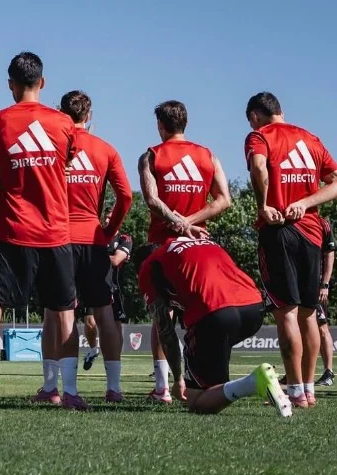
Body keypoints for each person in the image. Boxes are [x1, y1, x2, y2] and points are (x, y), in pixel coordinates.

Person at [0, 52, 77, 411]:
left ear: (10, 85)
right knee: (65, 310)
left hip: (12, 230)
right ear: (43, 82)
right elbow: (65, 164)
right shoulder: (64, 123)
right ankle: (69, 393)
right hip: (56, 231)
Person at [32, 90, 132, 406]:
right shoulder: (105, 149)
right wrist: (109, 230)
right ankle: (113, 388)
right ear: (89, 117)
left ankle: (54, 388)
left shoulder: (51, 148)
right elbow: (126, 196)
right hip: (93, 239)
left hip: (57, 237)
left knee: (56, 314)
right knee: (105, 314)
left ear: (61, 115)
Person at [244, 91, 337, 407]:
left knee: (286, 313)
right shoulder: (310, 138)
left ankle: (294, 390)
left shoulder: (259, 136)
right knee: (309, 315)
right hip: (312, 233)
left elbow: (258, 168)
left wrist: (263, 206)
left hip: (278, 231)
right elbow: (335, 182)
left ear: (256, 116)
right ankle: (308, 390)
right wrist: (307, 202)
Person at [138, 100, 231, 403]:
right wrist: (190, 223)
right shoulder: (208, 156)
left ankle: (164, 386)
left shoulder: (151, 155)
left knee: (161, 315)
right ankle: (202, 380)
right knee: (197, 313)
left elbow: (151, 200)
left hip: (163, 245)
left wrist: (179, 223)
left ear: (160, 126)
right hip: (198, 245)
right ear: (185, 123)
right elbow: (223, 200)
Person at [135, 237, 292, 417]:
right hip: (254, 308)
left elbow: (165, 330)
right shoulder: (201, 243)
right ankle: (246, 385)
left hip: (215, 314)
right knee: (215, 389)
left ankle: (254, 382)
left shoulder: (149, 265)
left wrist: (178, 379)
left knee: (195, 401)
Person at [81, 209, 133, 371]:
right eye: (106, 216)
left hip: (114, 287)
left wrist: (95, 256)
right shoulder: (95, 236)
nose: (108, 218)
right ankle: (93, 349)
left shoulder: (124, 238)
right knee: (90, 321)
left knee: (116, 325)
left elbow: (117, 260)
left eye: (112, 216)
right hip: (93, 285)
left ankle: (115, 360)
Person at [315, 216, 334, 386]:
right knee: (300, 328)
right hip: (298, 285)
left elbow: (329, 254)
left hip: (316, 285)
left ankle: (328, 372)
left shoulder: (323, 223)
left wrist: (324, 284)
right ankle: (295, 372)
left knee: (321, 326)